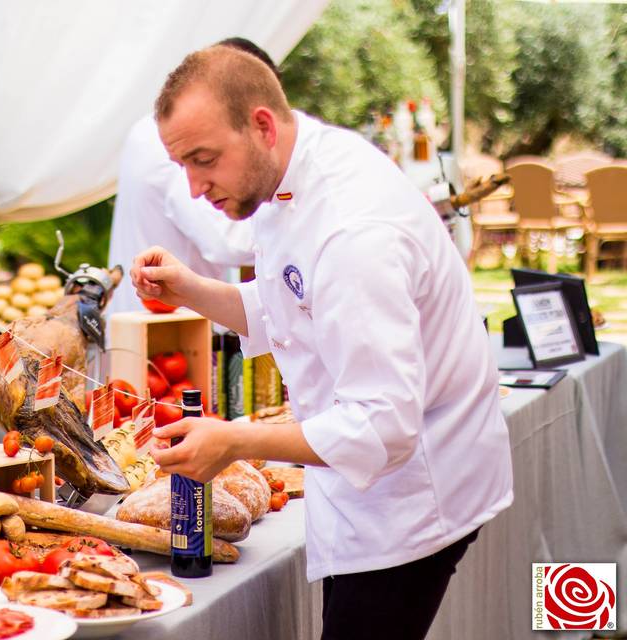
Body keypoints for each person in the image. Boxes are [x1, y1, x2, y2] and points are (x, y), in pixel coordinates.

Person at [131, 45, 513, 640]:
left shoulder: (352, 231)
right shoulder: (291, 166)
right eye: (181, 165)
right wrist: (192, 289)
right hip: (368, 481)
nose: (195, 186)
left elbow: (383, 425)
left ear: (261, 124)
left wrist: (235, 441)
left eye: (204, 159)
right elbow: (295, 301)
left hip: (411, 499)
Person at [107, 38, 281, 316]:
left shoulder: (151, 128)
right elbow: (228, 242)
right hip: (171, 331)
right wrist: (295, 224)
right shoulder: (181, 138)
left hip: (160, 321)